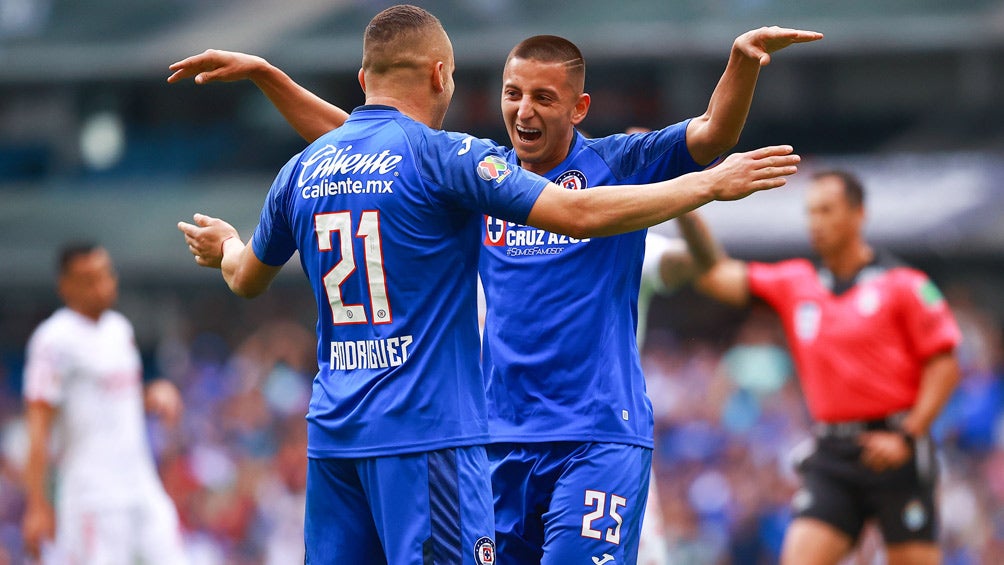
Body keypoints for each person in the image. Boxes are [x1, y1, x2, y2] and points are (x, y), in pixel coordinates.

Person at [168, 22, 819, 563]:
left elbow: (711, 135)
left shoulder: (618, 162)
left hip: (595, 432)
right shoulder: (479, 170)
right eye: (512, 94)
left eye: (542, 97)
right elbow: (372, 143)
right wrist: (270, 75)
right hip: (496, 437)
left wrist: (741, 66)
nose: (524, 111)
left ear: (578, 107)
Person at [688, 169, 962, 565]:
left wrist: (907, 434)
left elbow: (946, 365)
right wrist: (685, 204)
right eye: (811, 212)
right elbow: (714, 275)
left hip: (896, 449)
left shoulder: (903, 284)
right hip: (832, 453)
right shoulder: (796, 282)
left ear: (858, 214)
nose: (816, 222)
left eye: (827, 210)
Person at [21, 243, 187, 565]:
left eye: (105, 274)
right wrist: (37, 506)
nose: (101, 285)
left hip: (142, 485)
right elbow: (38, 428)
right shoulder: (53, 340)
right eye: (89, 278)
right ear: (65, 286)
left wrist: (152, 393)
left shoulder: (119, 330)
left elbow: (114, 401)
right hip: (93, 497)